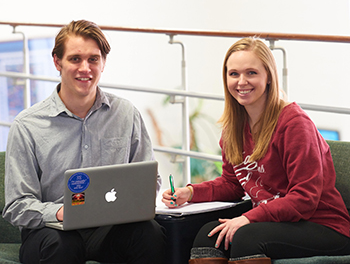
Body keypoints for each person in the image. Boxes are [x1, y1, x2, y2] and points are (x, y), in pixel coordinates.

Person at [162, 37, 350, 264]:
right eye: (234, 74)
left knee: (246, 238)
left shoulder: (294, 123)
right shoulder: (234, 127)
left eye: (251, 73)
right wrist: (191, 193)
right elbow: (232, 184)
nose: (241, 82)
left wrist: (249, 218)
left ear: (268, 76)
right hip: (274, 222)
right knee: (207, 236)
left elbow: (304, 198)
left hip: (322, 224)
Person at [3, 20, 166, 264]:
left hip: (109, 230)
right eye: (75, 59)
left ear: (103, 63)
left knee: (149, 233)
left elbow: (148, 180)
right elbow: (16, 205)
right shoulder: (27, 125)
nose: (85, 68)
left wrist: (134, 203)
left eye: (93, 59)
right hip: (52, 232)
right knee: (63, 245)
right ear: (57, 62)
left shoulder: (126, 113)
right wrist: (59, 212)